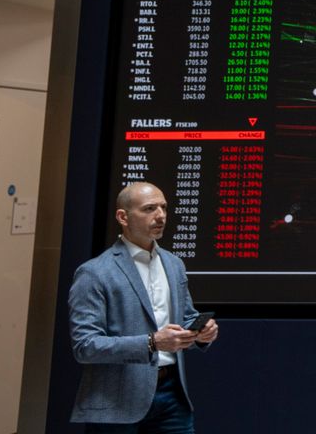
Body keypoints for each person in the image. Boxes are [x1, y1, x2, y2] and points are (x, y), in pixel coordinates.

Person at [70, 181, 219, 432]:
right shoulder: (94, 272)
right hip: (117, 400)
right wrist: (152, 343)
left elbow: (186, 320)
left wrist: (202, 334)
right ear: (122, 217)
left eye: (163, 207)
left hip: (172, 395)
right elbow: (85, 346)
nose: (160, 215)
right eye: (149, 208)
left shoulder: (174, 264)